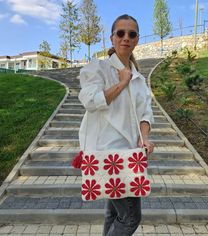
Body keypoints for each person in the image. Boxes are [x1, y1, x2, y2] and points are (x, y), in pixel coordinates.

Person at [78, 14, 154, 236]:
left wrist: (145, 137)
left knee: (114, 215)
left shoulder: (139, 79)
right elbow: (90, 100)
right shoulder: (98, 68)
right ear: (112, 38)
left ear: (137, 39)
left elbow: (146, 113)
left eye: (131, 34)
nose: (125, 38)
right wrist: (122, 83)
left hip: (130, 155)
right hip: (106, 153)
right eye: (120, 33)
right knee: (130, 217)